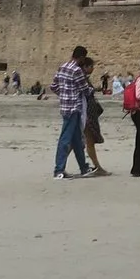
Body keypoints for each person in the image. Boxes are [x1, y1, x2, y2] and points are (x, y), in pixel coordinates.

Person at [52, 46, 92, 179]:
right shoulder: (77, 70)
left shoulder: (62, 67)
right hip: (74, 107)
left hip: (65, 106)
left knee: (76, 140)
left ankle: (83, 168)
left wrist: (63, 94)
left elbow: (54, 86)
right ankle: (59, 170)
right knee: (65, 139)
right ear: (81, 57)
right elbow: (85, 89)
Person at [77, 54, 111, 174]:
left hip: (87, 114)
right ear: (86, 66)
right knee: (88, 141)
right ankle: (97, 168)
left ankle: (61, 166)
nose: (93, 69)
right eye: (91, 66)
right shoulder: (82, 79)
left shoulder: (83, 79)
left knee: (78, 141)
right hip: (86, 115)